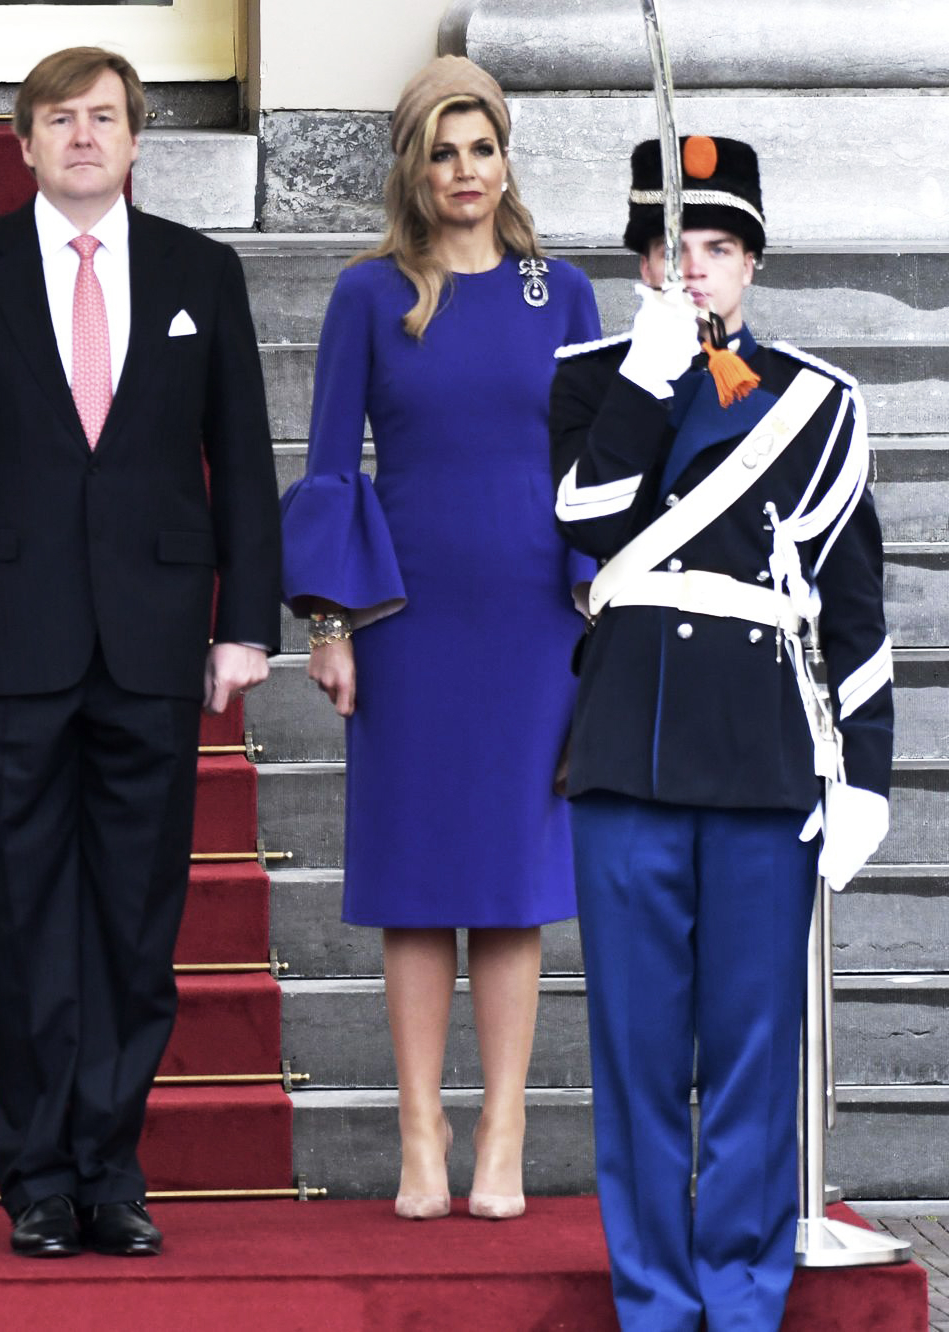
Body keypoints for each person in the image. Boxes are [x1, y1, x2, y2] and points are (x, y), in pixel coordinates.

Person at [0, 47, 279, 1258]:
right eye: (60, 119)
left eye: (103, 117)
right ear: (23, 143)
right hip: (6, 643)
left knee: (133, 921)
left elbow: (242, 458)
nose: (84, 136)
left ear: (136, 137)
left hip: (155, 643)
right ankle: (37, 1178)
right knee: (20, 921)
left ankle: (111, 1167)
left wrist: (244, 622)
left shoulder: (199, 272)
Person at [551, 136, 892, 1329]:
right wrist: (649, 378)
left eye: (713, 248)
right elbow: (587, 527)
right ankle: (651, 1299)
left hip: (758, 757)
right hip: (628, 754)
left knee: (752, 1057)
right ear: (640, 265)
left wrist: (867, 777)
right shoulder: (591, 379)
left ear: (748, 262)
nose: (690, 270)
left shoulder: (817, 402)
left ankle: (739, 1300)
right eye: (666, 249)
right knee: (636, 1057)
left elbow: (851, 606)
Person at [278, 56, 599, 1222]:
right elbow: (325, 466)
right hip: (406, 621)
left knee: (512, 888)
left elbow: (589, 462)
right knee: (416, 887)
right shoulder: (369, 293)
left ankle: (500, 1132)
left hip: (530, 624)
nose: (463, 170)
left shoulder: (557, 293)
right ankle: (419, 1135)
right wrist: (330, 625)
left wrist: (589, 598)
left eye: (481, 147)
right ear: (411, 166)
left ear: (504, 157)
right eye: (440, 150)